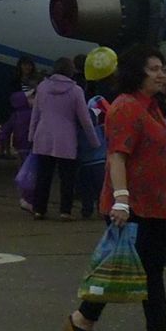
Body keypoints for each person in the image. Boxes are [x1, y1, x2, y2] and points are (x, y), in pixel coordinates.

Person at [64, 46, 166, 331]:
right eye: (154, 69)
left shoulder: (152, 106)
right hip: (131, 206)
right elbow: (117, 156)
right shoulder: (126, 107)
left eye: (163, 68)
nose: (161, 74)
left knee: (131, 269)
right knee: (144, 271)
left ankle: (83, 320)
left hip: (156, 202)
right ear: (136, 73)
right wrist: (121, 201)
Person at [27, 57, 97, 221]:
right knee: (67, 178)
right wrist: (94, 141)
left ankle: (39, 209)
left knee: (43, 176)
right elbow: (85, 119)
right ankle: (65, 211)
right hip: (66, 138)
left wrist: (31, 135)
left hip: (43, 136)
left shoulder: (42, 87)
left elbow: (35, 114)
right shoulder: (76, 90)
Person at [77, 47, 116, 220]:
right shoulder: (99, 100)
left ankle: (88, 208)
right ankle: (103, 209)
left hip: (85, 150)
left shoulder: (85, 96)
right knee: (101, 183)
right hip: (99, 149)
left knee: (86, 183)